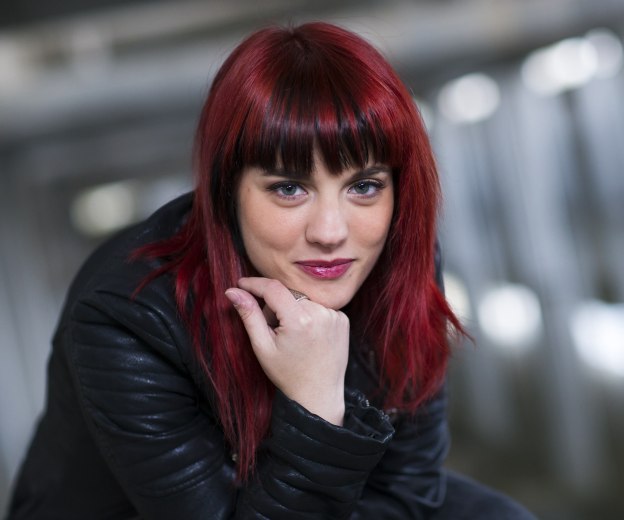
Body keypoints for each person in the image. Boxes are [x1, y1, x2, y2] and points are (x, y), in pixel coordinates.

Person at [7, 22, 536, 519]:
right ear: (226, 190)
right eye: (289, 188)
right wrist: (313, 406)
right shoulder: (128, 314)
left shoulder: (398, 257)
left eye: (364, 186)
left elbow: (409, 487)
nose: (331, 232)